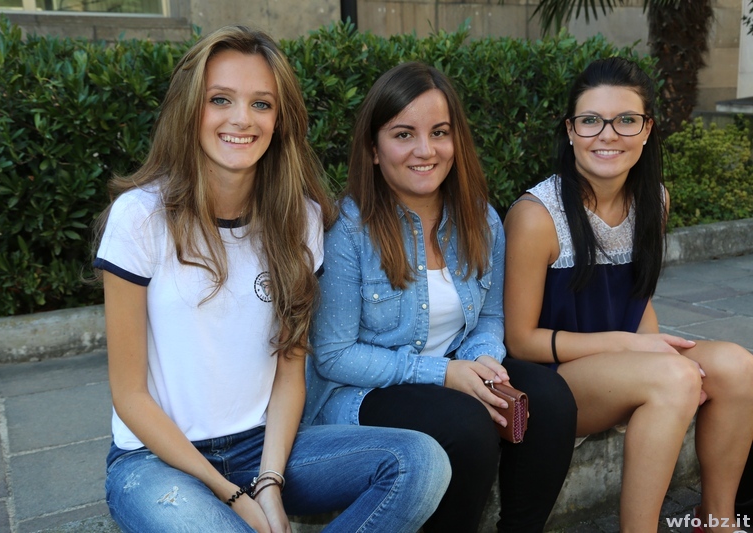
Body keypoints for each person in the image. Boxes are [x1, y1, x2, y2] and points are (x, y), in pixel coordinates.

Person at [92, 26, 451, 533]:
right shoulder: (140, 217)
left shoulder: (300, 219)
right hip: (155, 462)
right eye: (220, 99)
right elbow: (129, 395)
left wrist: (269, 483)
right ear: (190, 109)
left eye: (261, 104)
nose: (242, 118)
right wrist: (233, 496)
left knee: (422, 463)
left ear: (280, 121)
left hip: (264, 448)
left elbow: (289, 373)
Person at [303, 61, 577, 533]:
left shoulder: (480, 220)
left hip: (451, 371)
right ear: (373, 149)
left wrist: (484, 360)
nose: (425, 150)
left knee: (551, 399)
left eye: (439, 132)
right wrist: (443, 374)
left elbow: (490, 317)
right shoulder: (347, 229)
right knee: (466, 426)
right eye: (403, 134)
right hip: (362, 392)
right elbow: (334, 355)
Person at [503, 57, 753, 533]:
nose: (608, 135)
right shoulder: (537, 217)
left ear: (646, 129)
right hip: (551, 380)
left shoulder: (654, 199)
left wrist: (650, 350)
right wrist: (637, 352)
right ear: (571, 130)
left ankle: (716, 520)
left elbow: (637, 300)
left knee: (739, 366)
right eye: (590, 120)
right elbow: (521, 341)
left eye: (626, 120)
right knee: (673, 379)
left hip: (616, 363)